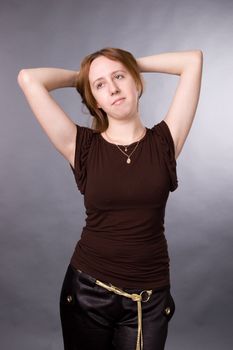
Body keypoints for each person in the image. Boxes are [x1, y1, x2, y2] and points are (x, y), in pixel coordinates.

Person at [17, 47, 203, 350]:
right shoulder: (81, 147)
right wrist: (85, 76)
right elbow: (28, 79)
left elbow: (192, 61)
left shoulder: (164, 143)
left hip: (147, 300)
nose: (113, 88)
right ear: (95, 101)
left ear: (137, 82)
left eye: (120, 77)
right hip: (88, 292)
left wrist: (128, 63)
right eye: (100, 85)